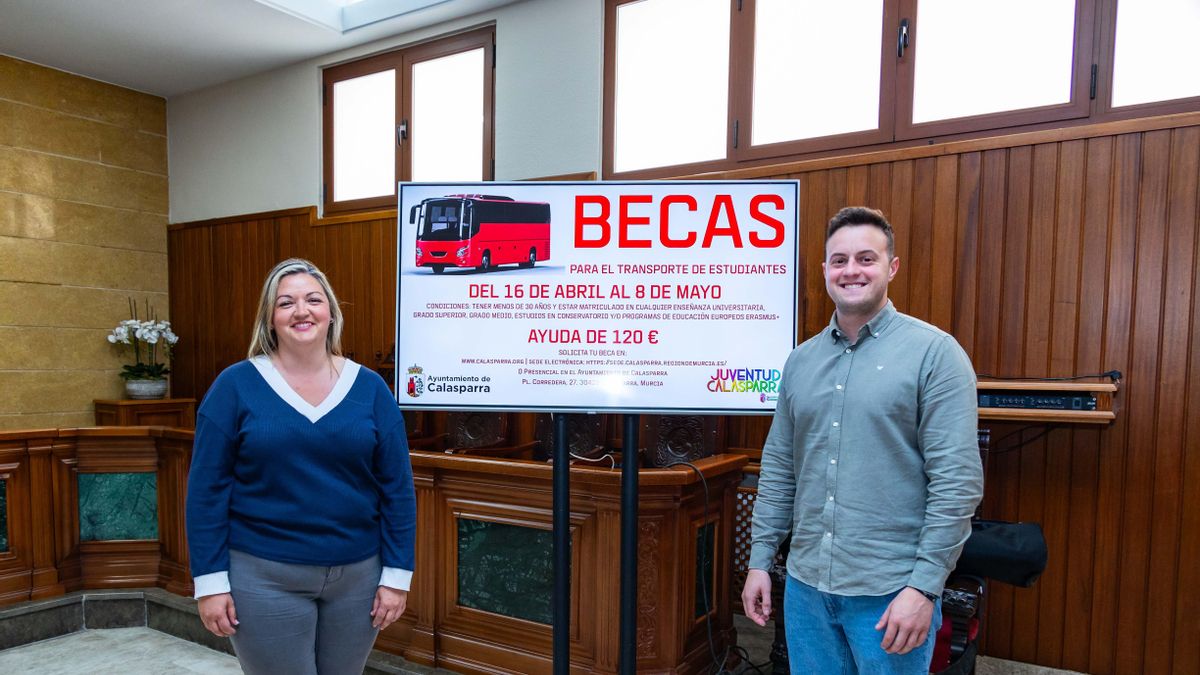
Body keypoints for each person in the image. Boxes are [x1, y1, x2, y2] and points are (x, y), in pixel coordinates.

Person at [742, 207, 983, 674]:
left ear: (891, 267)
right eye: (839, 260)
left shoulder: (935, 354)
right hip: (806, 590)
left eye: (866, 258)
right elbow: (778, 469)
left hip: (892, 593)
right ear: (825, 271)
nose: (851, 270)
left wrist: (924, 588)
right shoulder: (800, 362)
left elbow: (957, 484)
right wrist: (759, 561)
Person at [186, 258, 415, 675]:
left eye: (313, 299)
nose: (301, 311)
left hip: (358, 582)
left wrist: (396, 577)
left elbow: (397, 489)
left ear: (331, 312)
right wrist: (210, 584)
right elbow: (206, 493)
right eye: (285, 303)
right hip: (263, 578)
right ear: (270, 319)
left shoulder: (371, 389)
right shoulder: (234, 386)